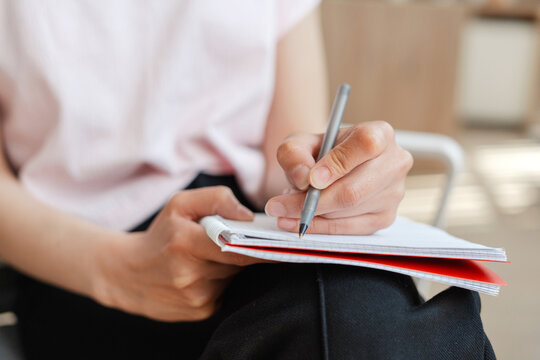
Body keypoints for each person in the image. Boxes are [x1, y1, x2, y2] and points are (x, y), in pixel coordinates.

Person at [0, 1, 495, 359]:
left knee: (357, 315)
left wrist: (331, 183)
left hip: (246, 221)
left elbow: (289, 148)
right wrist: (120, 271)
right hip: (78, 248)